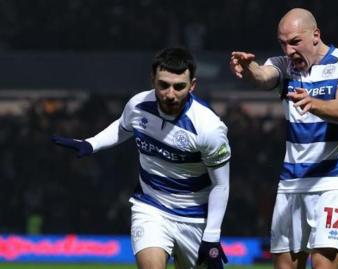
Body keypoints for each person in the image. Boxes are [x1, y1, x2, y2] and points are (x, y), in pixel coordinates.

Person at [52, 48, 230, 269]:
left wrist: (212, 236)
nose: (170, 93)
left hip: (195, 218)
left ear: (192, 85)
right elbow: (123, 127)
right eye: (163, 85)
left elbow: (221, 185)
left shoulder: (209, 128)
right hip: (151, 208)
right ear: (152, 80)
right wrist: (92, 143)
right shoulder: (138, 105)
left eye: (179, 86)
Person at [230, 8, 338, 269]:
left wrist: (313, 103)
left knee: (324, 264)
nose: (289, 51)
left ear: (316, 35)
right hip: (293, 181)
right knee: (285, 265)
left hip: (336, 179)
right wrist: (250, 69)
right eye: (283, 44)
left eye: (295, 42)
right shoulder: (283, 66)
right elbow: (263, 76)